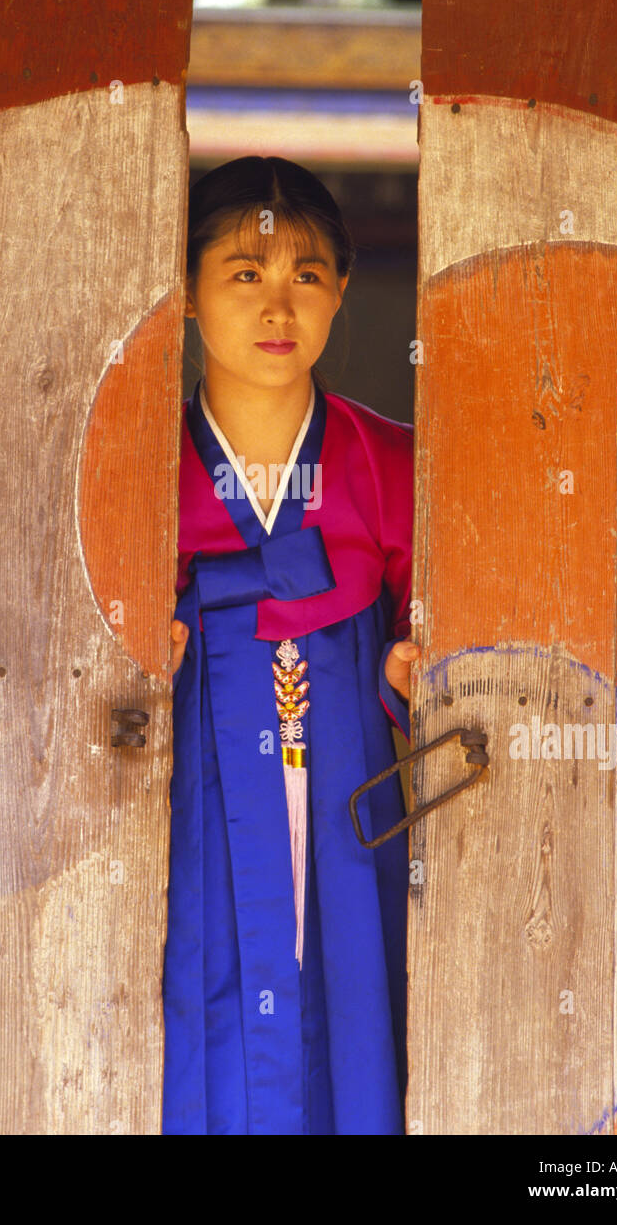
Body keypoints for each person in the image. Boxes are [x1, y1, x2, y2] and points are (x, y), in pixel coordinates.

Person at [163, 155, 420, 1135]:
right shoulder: (135, 466)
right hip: (198, 787)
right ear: (183, 292)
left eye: (305, 275)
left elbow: (436, 634)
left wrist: (408, 674)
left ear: (342, 289)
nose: (278, 305)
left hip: (345, 783)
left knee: (349, 995)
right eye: (243, 274)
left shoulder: (386, 461)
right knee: (199, 992)